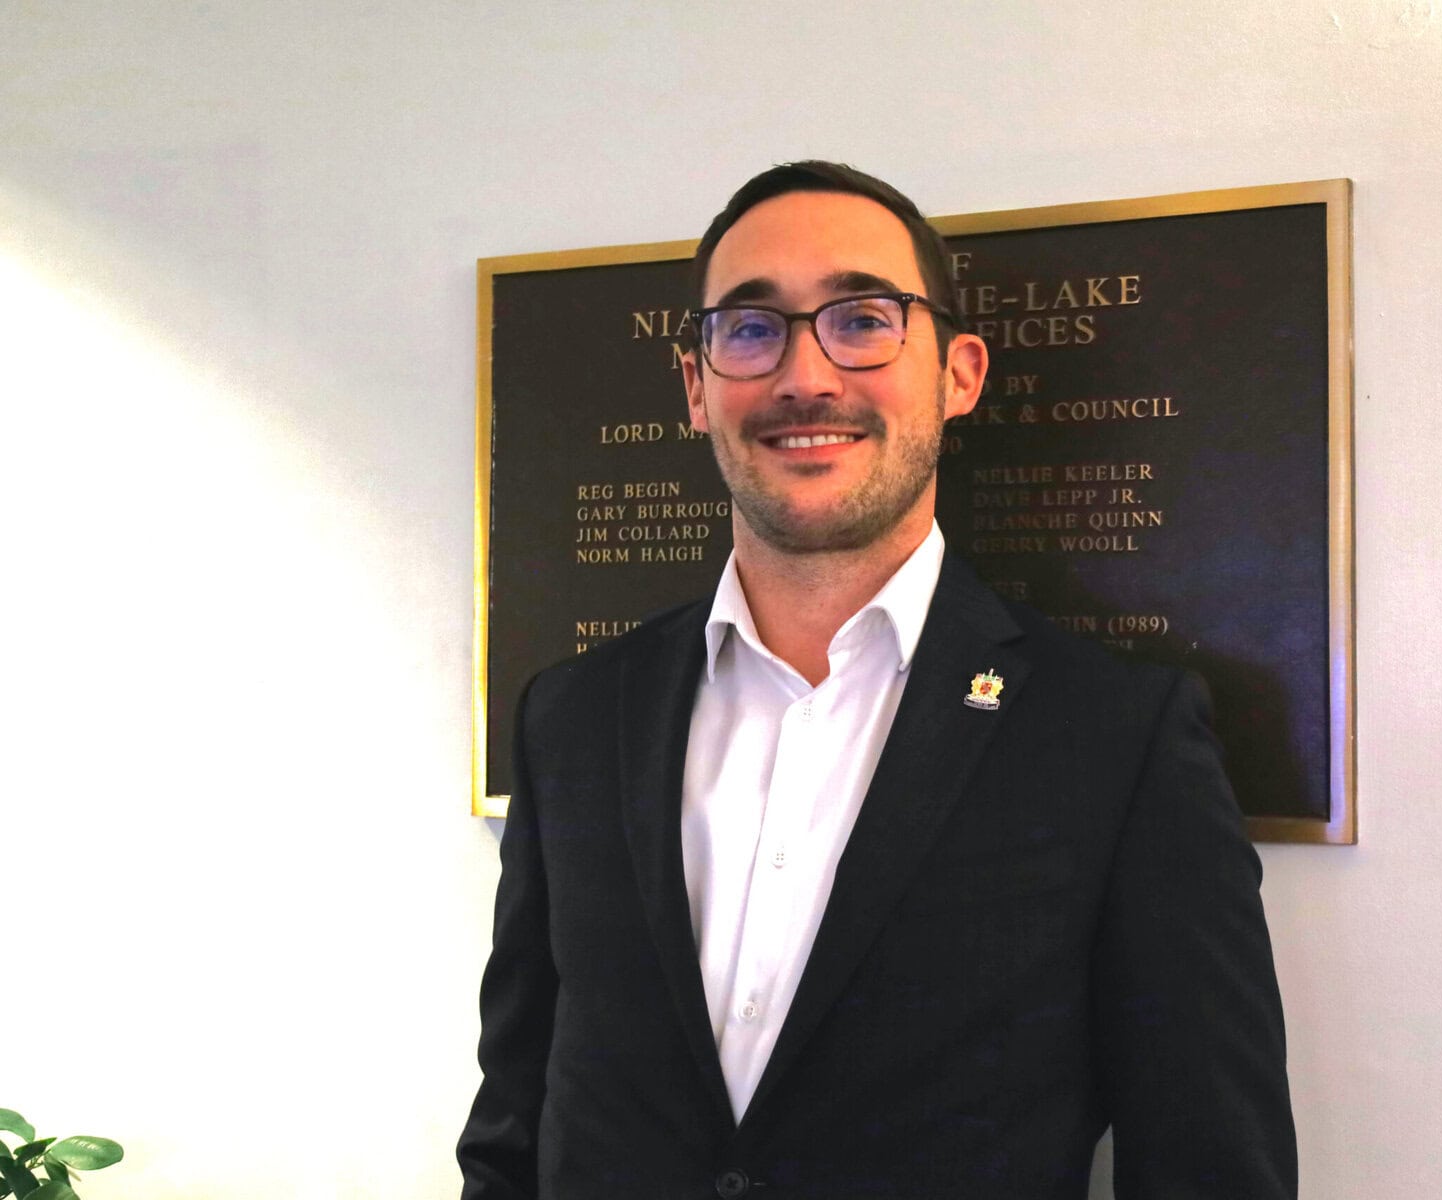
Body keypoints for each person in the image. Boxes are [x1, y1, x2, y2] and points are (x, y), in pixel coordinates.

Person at [458, 162, 1297, 1200]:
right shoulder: (573, 718)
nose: (805, 378)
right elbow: (514, 1119)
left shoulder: (1118, 738)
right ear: (696, 388)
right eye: (750, 329)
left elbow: (1210, 1165)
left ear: (959, 374)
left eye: (862, 320)